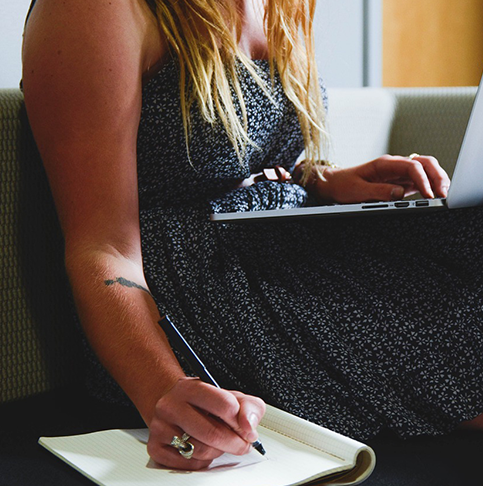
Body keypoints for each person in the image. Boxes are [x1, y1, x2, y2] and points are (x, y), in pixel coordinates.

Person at [22, 0, 483, 472]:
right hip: (192, 287)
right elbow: (104, 247)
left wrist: (319, 180)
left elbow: (231, 161)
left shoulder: (286, 5)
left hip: (281, 242)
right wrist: (162, 389)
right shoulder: (94, 9)